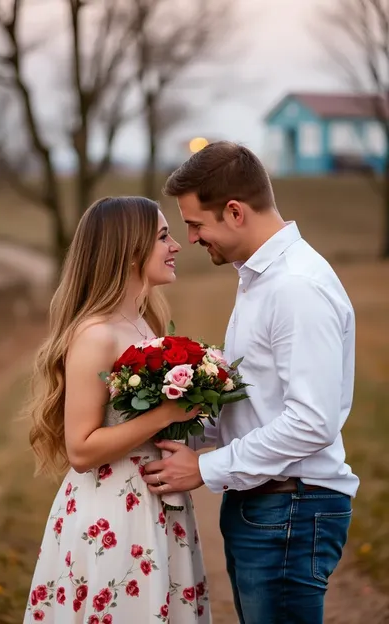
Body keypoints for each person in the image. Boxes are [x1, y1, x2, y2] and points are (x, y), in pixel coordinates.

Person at [143, 142, 359, 624]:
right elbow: (256, 404)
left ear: (235, 212)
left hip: (291, 506)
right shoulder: (260, 280)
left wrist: (207, 467)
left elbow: (311, 422)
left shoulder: (295, 287)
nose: (191, 239)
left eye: (196, 224)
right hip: (270, 501)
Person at [24, 196, 211, 624]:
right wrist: (165, 415)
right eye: (163, 236)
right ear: (129, 252)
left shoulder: (143, 322)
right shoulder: (95, 335)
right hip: (115, 512)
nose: (176, 245)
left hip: (155, 504)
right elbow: (81, 450)